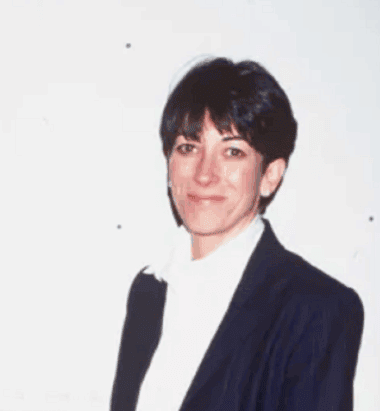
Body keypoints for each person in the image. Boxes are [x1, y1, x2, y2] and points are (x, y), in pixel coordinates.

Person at [110, 57, 364, 411]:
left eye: (232, 152)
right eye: (188, 147)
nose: (204, 174)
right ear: (169, 164)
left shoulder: (316, 308)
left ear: (270, 175)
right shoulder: (149, 291)